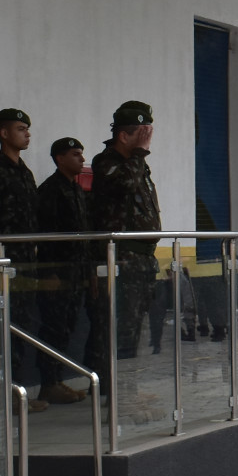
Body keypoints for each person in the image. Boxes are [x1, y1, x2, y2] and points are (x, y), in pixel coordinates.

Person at [0, 110, 72, 410]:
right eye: (21, 129)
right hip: (6, 264)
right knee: (7, 331)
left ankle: (17, 392)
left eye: (28, 129)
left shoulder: (24, 172)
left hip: (27, 263)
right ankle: (6, 396)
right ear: (4, 133)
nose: (27, 134)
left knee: (21, 328)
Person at [92, 101, 163, 366]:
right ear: (123, 136)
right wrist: (139, 154)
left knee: (134, 328)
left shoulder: (137, 165)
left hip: (142, 258)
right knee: (116, 328)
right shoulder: (106, 162)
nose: (146, 143)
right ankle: (113, 390)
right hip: (121, 258)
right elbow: (123, 184)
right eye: (141, 135)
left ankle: (126, 388)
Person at [35, 137, 92, 390]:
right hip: (58, 273)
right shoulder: (50, 190)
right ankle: (49, 382)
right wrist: (50, 272)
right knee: (53, 329)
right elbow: (47, 237)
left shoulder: (77, 190)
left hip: (76, 273)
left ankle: (57, 380)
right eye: (75, 154)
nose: (81, 159)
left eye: (81, 154)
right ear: (60, 158)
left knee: (67, 328)